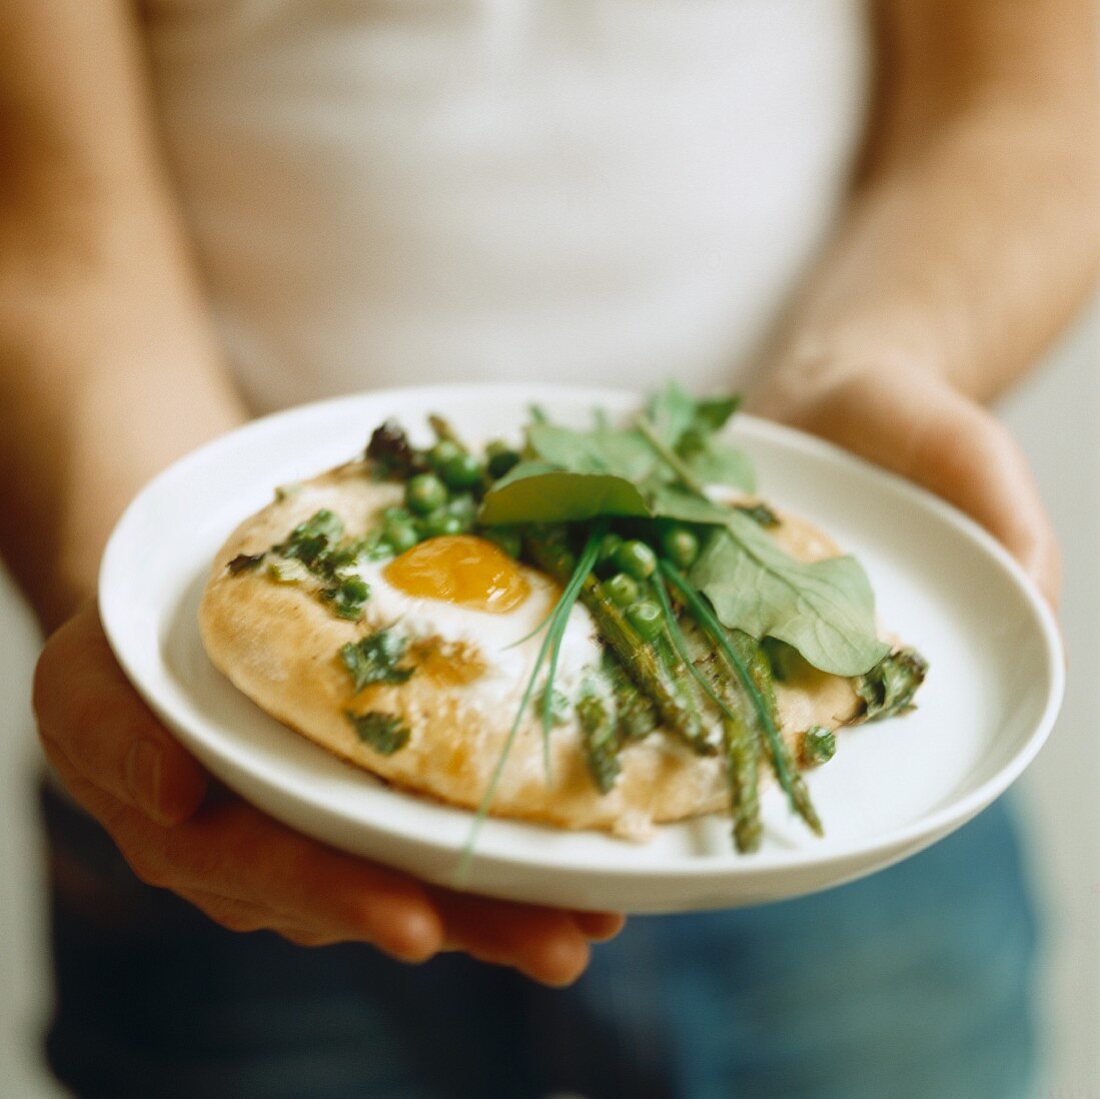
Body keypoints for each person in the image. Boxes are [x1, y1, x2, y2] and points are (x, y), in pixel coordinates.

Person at [4, 0, 1096, 1094]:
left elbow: (1027, 105)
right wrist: (145, 587)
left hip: (844, 836)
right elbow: (47, 227)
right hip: (243, 795)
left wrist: (876, 359)